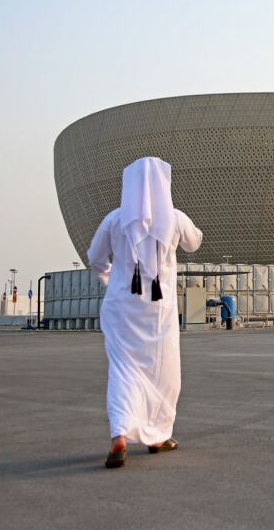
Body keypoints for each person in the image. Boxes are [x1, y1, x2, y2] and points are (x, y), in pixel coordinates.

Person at [87, 157, 203, 469]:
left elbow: (95, 257)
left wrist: (110, 280)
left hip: (121, 309)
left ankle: (119, 435)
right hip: (159, 312)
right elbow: (194, 243)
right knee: (163, 373)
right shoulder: (175, 219)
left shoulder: (114, 220)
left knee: (123, 371)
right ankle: (157, 436)